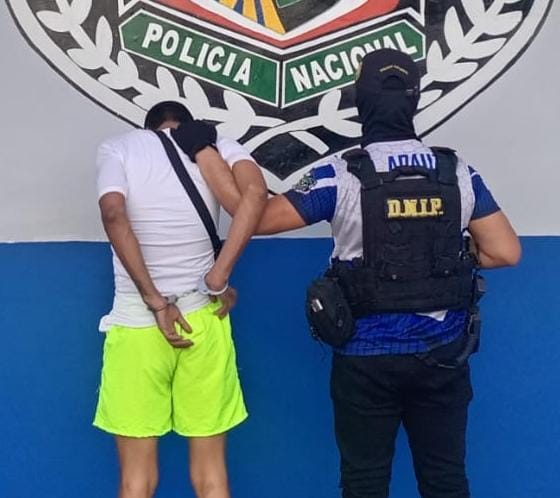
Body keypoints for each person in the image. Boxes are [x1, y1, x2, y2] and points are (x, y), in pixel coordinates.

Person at [200, 50, 522, 497]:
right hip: (443, 356)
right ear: (414, 100)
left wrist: (211, 153)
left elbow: (256, 218)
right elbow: (505, 251)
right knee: (445, 480)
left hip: (365, 356)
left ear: (360, 102)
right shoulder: (457, 173)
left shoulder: (339, 175)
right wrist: (443, 254)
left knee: (364, 482)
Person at [93, 101, 267, 498]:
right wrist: (219, 277)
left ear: (148, 129)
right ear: (187, 127)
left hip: (136, 323)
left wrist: (155, 301)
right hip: (203, 318)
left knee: (135, 480)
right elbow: (255, 196)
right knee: (212, 476)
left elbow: (113, 214)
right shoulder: (216, 144)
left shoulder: (119, 147)